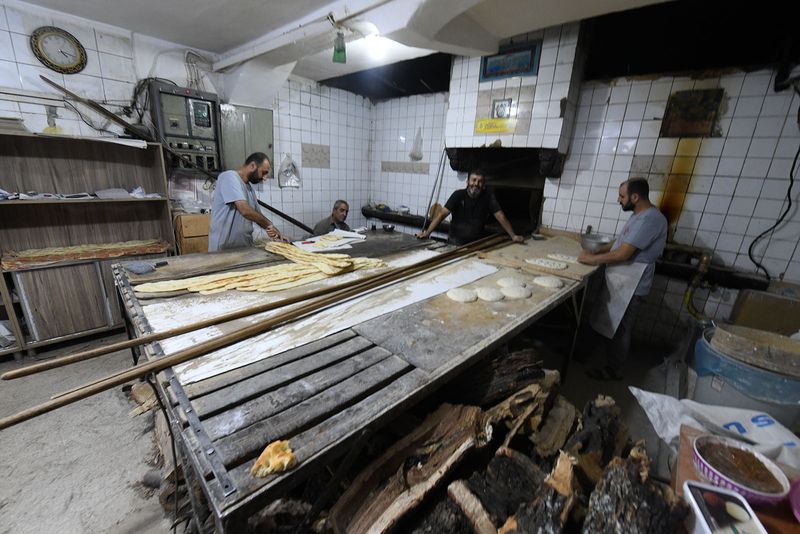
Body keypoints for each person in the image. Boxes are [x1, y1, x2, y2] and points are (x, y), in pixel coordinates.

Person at [577, 177, 668, 381]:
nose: (618, 200)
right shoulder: (638, 215)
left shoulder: (651, 219)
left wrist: (593, 261)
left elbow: (624, 254)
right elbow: (620, 243)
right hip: (620, 278)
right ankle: (581, 353)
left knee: (620, 328)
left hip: (632, 283)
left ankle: (614, 370)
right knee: (602, 318)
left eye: (622, 196)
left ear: (635, 197)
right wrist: (595, 251)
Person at [415, 169, 524, 245]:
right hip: (454, 243)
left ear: (484, 185)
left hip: (475, 245)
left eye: (480, 181)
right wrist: (427, 233)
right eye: (474, 180)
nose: (476, 184)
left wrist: (513, 235)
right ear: (467, 182)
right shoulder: (458, 195)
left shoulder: (488, 197)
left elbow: (500, 215)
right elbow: (441, 214)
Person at [208, 152, 288, 251]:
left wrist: (276, 232)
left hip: (244, 248)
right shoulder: (229, 177)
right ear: (252, 166)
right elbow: (245, 210)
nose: (265, 178)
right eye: (264, 172)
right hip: (224, 249)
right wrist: (269, 224)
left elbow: (257, 215)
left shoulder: (249, 188)